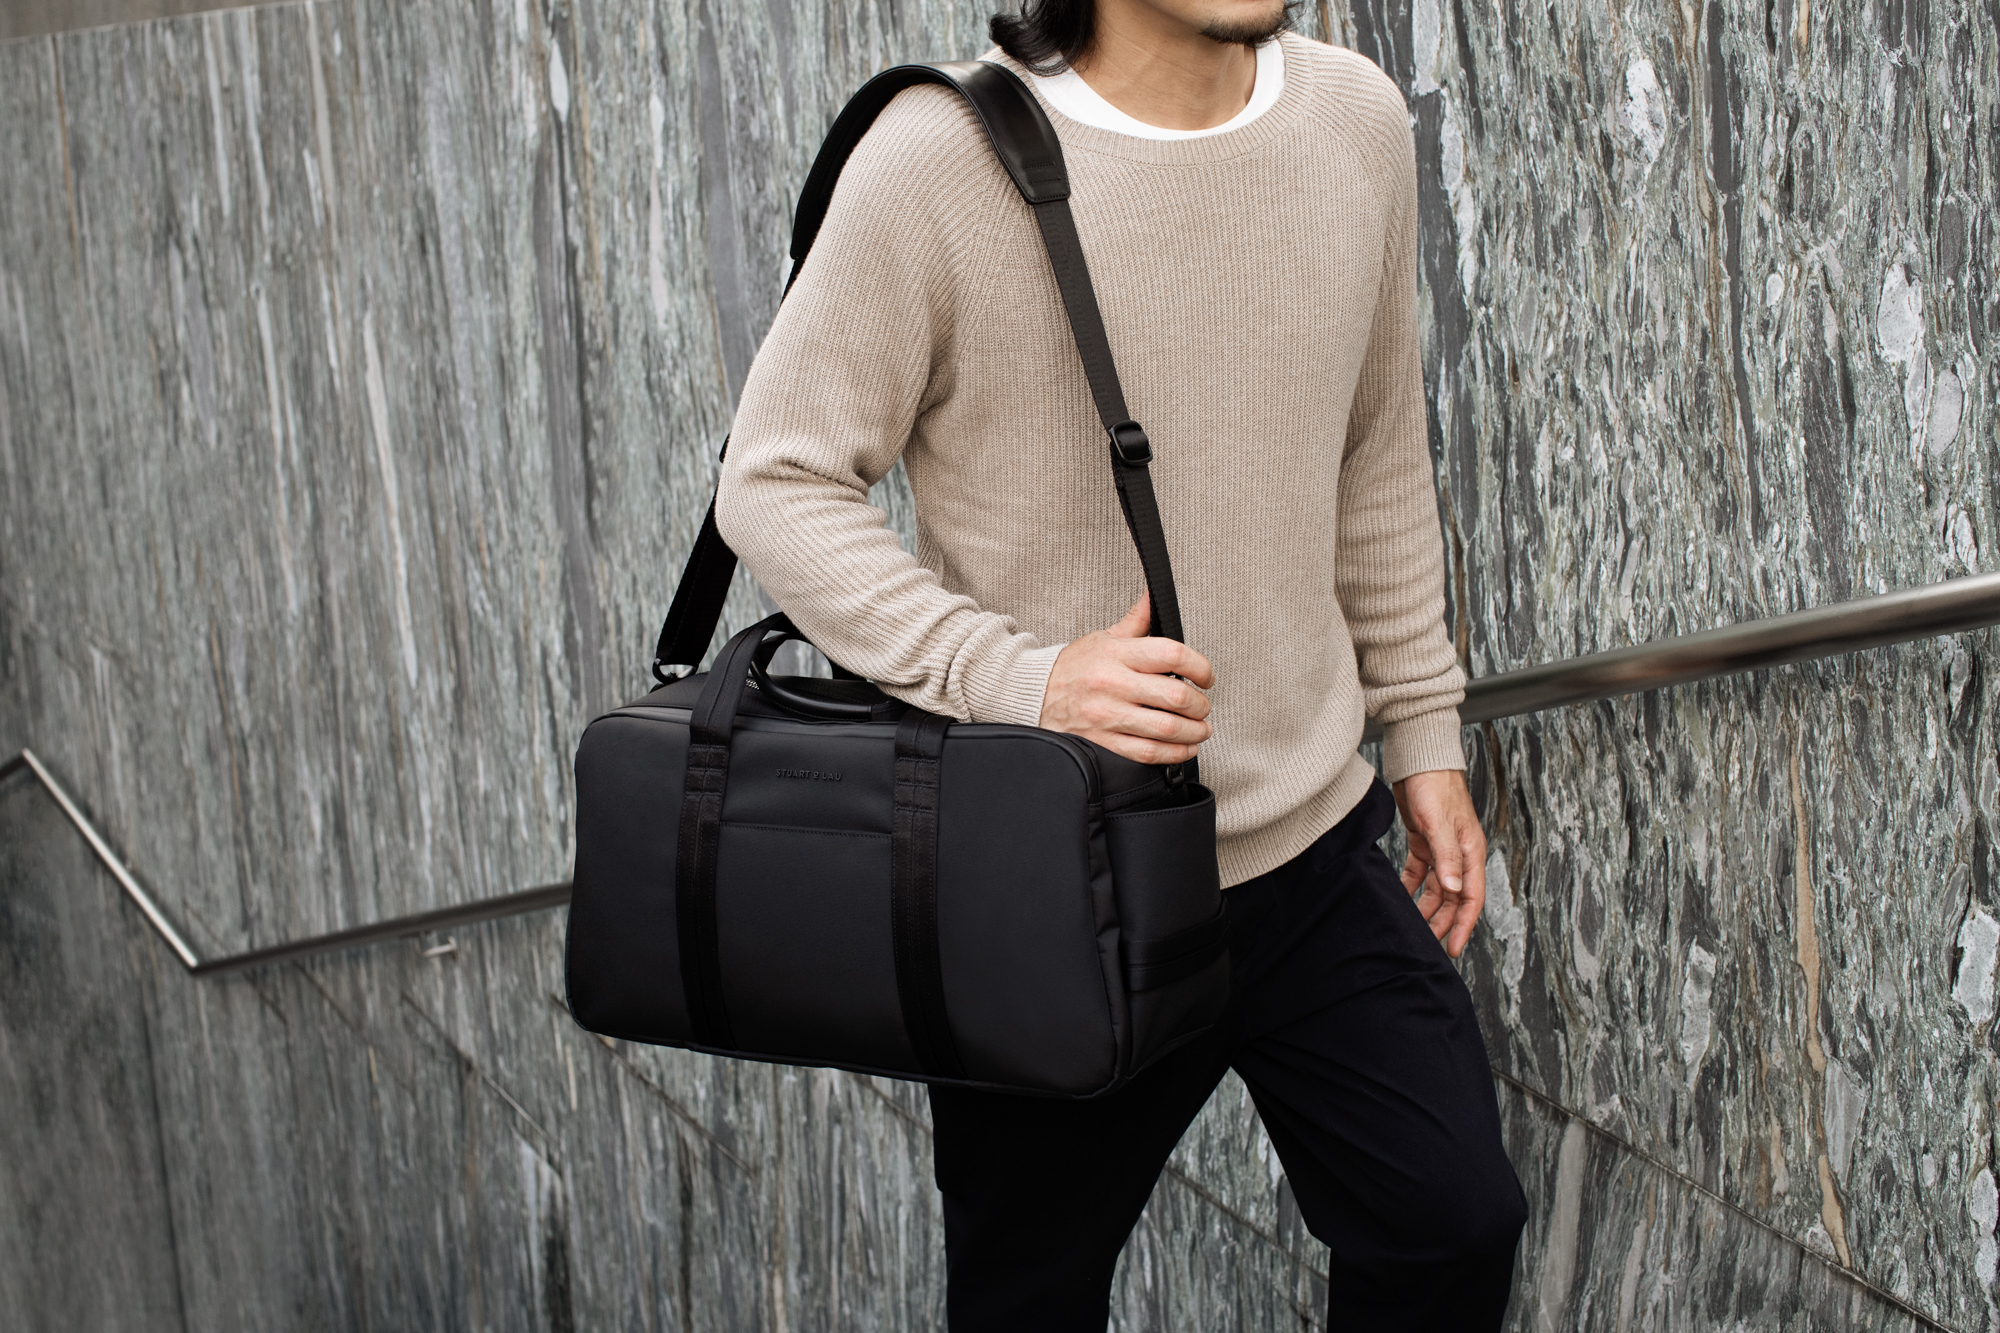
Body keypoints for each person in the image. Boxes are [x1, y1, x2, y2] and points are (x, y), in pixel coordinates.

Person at [714, 0, 1528, 1326]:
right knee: (1028, 1299)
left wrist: (1423, 732)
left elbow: (1377, 449)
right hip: (1054, 883)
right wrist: (1021, 679)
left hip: (1310, 852)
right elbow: (777, 479)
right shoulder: (937, 159)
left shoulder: (1356, 122)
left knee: (1454, 1223)